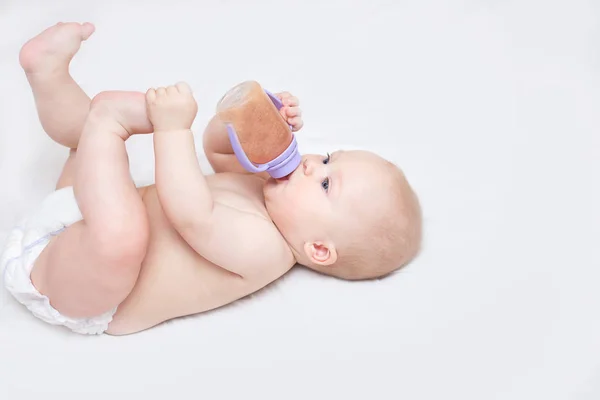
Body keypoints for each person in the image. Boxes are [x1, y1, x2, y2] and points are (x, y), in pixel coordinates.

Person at [0, 22, 422, 335]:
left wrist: (171, 129)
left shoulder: (266, 250)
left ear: (318, 249)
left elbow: (190, 213)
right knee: (85, 144)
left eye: (327, 184)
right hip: (79, 219)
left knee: (123, 236)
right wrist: (257, 120)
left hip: (87, 288)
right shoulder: (263, 189)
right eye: (329, 158)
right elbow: (217, 148)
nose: (314, 164)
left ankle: (107, 120)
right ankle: (47, 73)